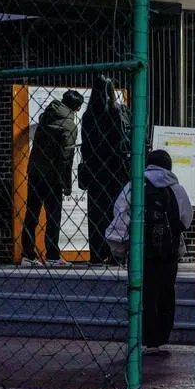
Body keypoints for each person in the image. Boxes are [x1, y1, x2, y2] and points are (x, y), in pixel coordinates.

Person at [104, 150, 193, 355]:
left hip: (140, 252)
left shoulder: (135, 185)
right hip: (168, 254)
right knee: (166, 292)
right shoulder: (176, 188)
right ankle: (161, 335)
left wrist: (119, 249)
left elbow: (120, 215)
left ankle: (141, 334)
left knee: (142, 292)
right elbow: (186, 219)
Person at [21, 89, 83, 266]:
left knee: (31, 213)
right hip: (52, 176)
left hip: (35, 171)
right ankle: (52, 256)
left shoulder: (46, 116)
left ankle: (28, 255)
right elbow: (65, 157)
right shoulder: (69, 126)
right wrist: (66, 183)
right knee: (53, 216)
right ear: (77, 108)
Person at [79, 76, 131, 265]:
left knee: (95, 213)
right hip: (115, 170)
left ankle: (96, 253)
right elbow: (122, 141)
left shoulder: (88, 115)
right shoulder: (116, 113)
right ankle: (115, 253)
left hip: (95, 171)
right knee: (116, 212)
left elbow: (85, 145)